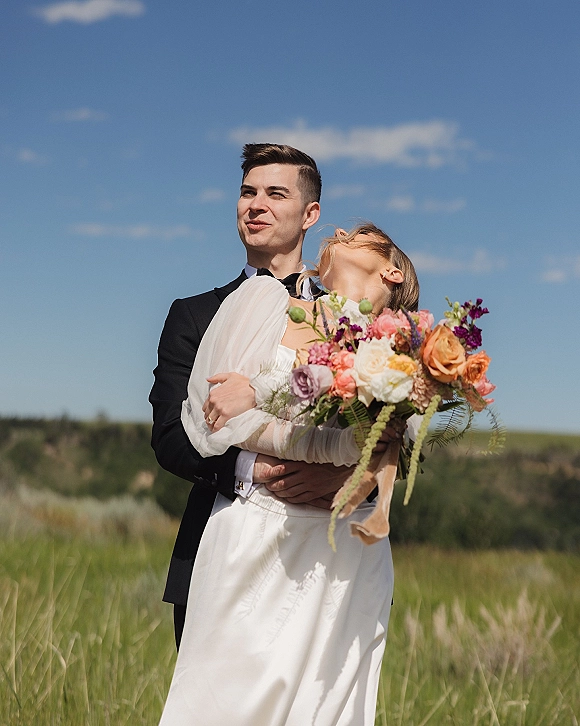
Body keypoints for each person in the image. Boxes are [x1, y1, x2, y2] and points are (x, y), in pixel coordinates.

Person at [157, 224, 420, 726]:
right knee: (225, 705)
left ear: (391, 269)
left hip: (347, 549)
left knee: (328, 708)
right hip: (257, 532)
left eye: (360, 232)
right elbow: (216, 420)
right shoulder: (263, 303)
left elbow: (398, 446)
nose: (340, 230)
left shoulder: (407, 349)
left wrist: (356, 478)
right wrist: (334, 451)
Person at [150, 143, 354, 650]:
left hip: (329, 563)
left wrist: (346, 476)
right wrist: (257, 472)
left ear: (311, 214)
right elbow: (171, 438)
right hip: (221, 551)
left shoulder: (350, 318)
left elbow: (397, 436)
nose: (255, 204)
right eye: (247, 192)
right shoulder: (192, 314)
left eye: (275, 193)